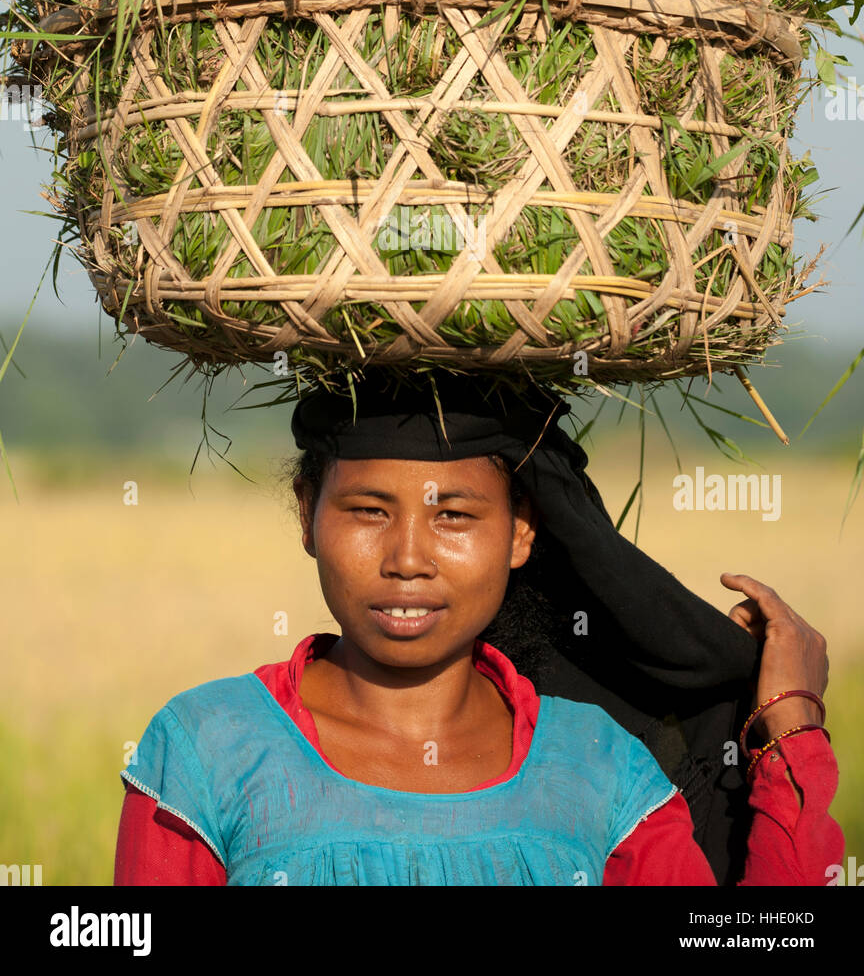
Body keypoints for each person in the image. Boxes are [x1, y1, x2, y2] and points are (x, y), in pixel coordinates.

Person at [114, 370, 843, 886]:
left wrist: (791, 733)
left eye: (454, 516)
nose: (406, 560)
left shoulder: (600, 771)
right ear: (308, 514)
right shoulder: (205, 751)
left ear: (522, 530)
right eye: (368, 511)